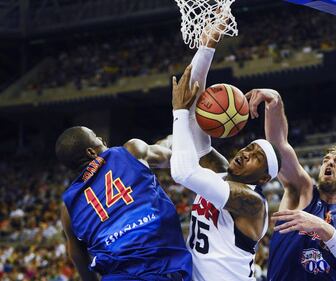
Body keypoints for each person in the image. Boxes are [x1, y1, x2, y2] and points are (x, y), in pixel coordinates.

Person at [244, 89, 336, 280]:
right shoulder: (302, 190)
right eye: (326, 160)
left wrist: (321, 227)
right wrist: (275, 103)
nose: (329, 163)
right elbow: (279, 146)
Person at [170, 62, 281, 281]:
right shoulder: (220, 170)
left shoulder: (251, 202)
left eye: (256, 158)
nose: (246, 153)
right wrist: (207, 48)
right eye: (249, 147)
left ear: (264, 178)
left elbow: (183, 172)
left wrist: (178, 112)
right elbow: (195, 113)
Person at [55, 127, 192, 281]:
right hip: (160, 267)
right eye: (96, 137)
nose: (101, 138)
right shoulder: (130, 151)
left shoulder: (68, 209)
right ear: (91, 152)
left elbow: (78, 257)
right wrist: (173, 138)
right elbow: (172, 158)